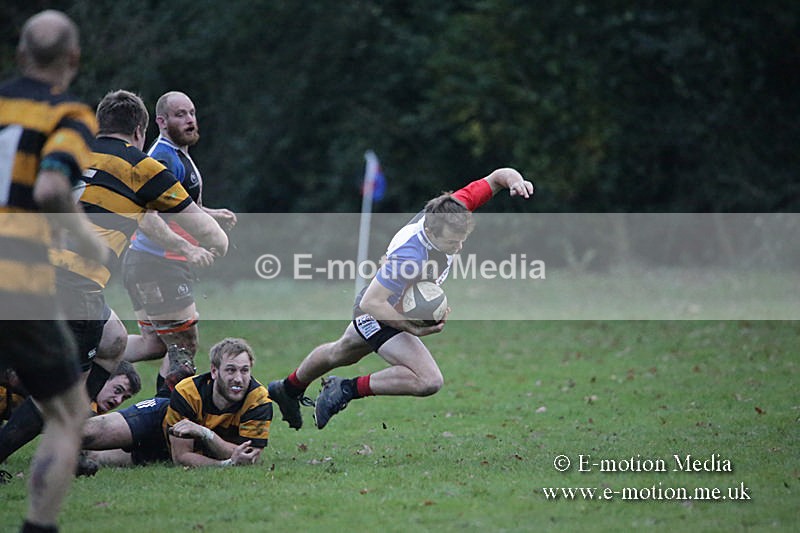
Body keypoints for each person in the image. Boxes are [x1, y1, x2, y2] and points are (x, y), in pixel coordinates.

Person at [0, 89, 227, 468]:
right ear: (140, 131)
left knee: (114, 340)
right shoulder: (143, 167)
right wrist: (217, 245)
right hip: (72, 287)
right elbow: (207, 231)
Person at [268, 168, 534, 430]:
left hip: (387, 302)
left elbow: (498, 176)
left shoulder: (452, 209)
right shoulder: (410, 256)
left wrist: (516, 181)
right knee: (428, 380)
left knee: (342, 351)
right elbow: (371, 303)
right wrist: (411, 327)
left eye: (463, 240)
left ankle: (287, 389)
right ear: (430, 234)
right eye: (453, 243)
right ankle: (346, 388)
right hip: (377, 310)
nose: (459, 247)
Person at [0, 10, 108, 533]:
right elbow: (50, 188)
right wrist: (87, 238)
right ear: (73, 59)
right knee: (67, 413)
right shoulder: (69, 116)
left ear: (20, 55)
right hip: (17, 281)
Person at [122, 91, 237, 395]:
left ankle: (88, 353)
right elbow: (147, 215)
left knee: (153, 345)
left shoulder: (178, 153)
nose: (189, 120)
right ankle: (164, 421)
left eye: (192, 113)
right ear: (161, 121)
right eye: (180, 114)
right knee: (183, 347)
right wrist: (188, 247)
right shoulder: (161, 158)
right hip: (157, 265)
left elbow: (176, 207)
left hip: (146, 263)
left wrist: (211, 214)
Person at [81, 338, 271, 469]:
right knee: (87, 434)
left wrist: (204, 433)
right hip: (158, 420)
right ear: (214, 371)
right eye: (231, 370)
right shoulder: (188, 392)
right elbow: (182, 456)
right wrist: (227, 461)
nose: (238, 378)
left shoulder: (258, 399)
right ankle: (55, 425)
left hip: (166, 451)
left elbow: (248, 456)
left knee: (93, 457)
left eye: (245, 370)